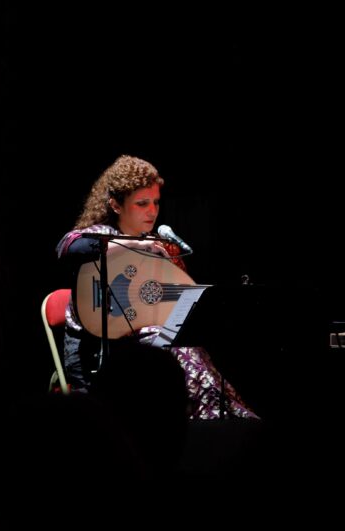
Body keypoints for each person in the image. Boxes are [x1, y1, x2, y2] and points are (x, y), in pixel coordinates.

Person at [56, 154, 256, 420]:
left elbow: (172, 306)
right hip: (98, 350)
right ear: (116, 204)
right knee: (180, 353)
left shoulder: (160, 246)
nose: (152, 211)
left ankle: (225, 422)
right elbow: (67, 247)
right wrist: (137, 246)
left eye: (155, 202)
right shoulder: (99, 235)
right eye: (142, 203)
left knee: (190, 346)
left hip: (148, 346)